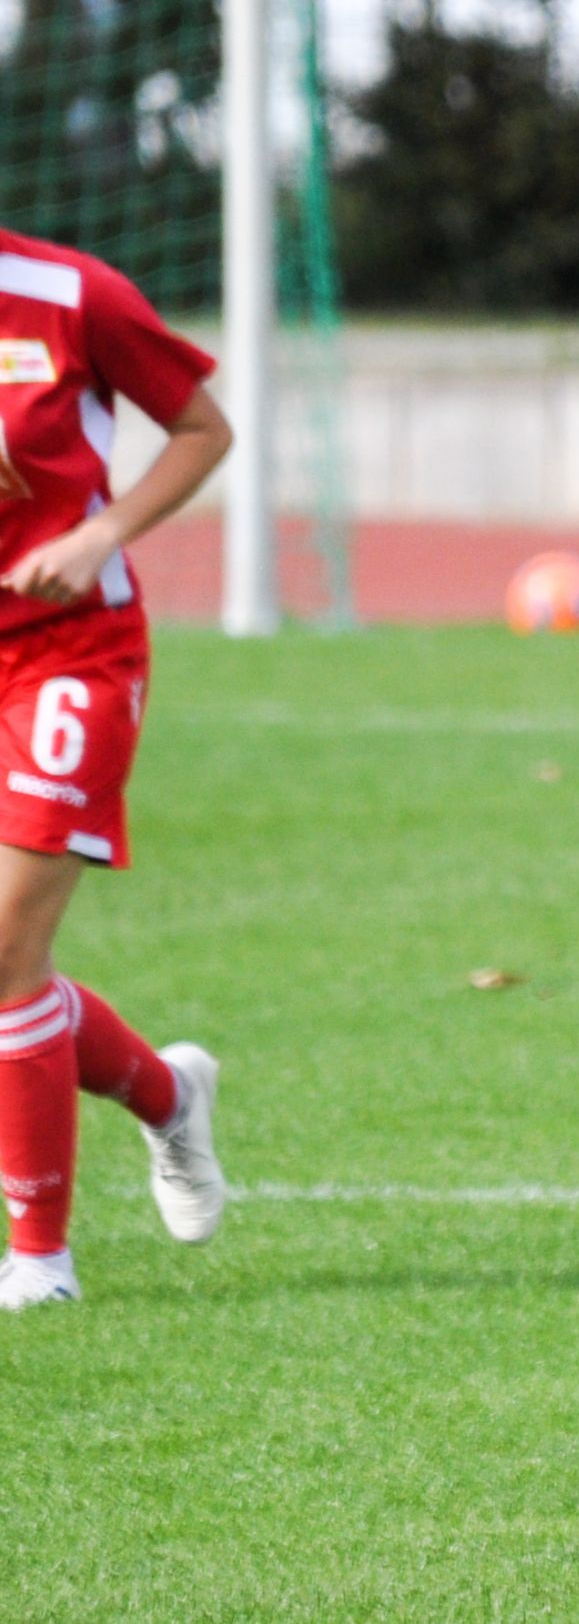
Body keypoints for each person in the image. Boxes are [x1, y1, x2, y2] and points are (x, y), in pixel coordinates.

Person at [0, 229, 235, 1312]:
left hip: (71, 652)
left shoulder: (71, 294)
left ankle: (40, 1261)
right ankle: (169, 1095)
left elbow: (203, 428)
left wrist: (102, 533)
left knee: (6, 948)